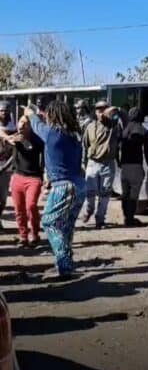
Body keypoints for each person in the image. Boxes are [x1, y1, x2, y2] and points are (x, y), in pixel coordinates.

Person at [24, 101, 86, 278]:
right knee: (66, 226)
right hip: (79, 185)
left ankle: (64, 265)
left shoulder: (53, 133)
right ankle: (64, 264)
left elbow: (36, 125)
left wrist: (30, 112)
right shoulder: (74, 136)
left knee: (49, 222)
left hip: (64, 186)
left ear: (53, 115)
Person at [6, 116, 44, 248]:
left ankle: (35, 234)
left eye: (26, 123)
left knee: (31, 206)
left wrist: (23, 141)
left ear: (31, 126)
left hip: (33, 178)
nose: (22, 125)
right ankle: (23, 237)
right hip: (17, 177)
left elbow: (31, 148)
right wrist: (7, 138)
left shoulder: (37, 139)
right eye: (21, 121)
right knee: (19, 209)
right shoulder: (15, 136)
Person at [82, 100, 121, 229]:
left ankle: (100, 219)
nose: (101, 112)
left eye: (104, 109)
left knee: (105, 194)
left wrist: (113, 110)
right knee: (90, 193)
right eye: (98, 109)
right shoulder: (90, 127)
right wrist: (83, 163)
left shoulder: (113, 126)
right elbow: (85, 145)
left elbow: (122, 116)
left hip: (108, 163)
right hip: (93, 163)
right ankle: (88, 210)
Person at [119, 107, 148, 226]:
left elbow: (117, 147)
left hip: (124, 166)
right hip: (136, 165)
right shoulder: (144, 131)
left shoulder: (124, 130)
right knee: (134, 194)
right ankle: (130, 218)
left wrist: (119, 162)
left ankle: (126, 217)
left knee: (125, 193)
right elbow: (147, 153)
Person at [0, 101, 15, 228]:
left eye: (6, 110)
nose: (4, 112)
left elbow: (15, 153)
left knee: (3, 198)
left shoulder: (13, 128)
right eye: (1, 110)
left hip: (6, 166)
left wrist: (5, 167)